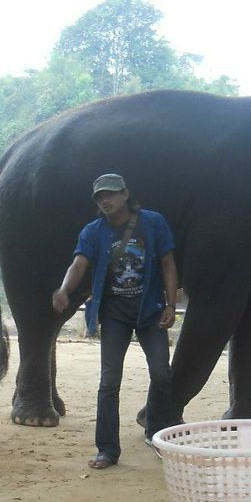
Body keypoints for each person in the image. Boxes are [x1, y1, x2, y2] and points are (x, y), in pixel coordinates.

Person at [52, 173, 179, 469]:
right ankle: (107, 449)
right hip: (114, 313)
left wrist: (171, 304)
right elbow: (79, 262)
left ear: (125, 194)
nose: (105, 200)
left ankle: (155, 431)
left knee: (161, 372)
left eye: (109, 194)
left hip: (150, 308)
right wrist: (64, 289)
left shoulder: (153, 222)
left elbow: (168, 262)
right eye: (99, 197)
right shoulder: (93, 231)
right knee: (109, 381)